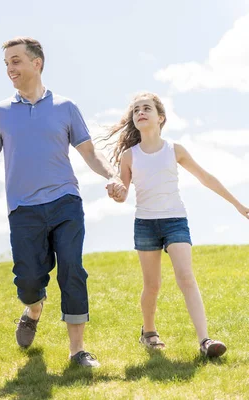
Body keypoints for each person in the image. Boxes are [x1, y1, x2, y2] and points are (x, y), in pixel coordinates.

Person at [0, 37, 125, 367]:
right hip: (23, 209)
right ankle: (34, 308)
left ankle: (77, 350)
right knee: (29, 280)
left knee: (72, 270)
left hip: (65, 201)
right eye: (6, 63)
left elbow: (89, 152)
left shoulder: (65, 107)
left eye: (16, 61)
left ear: (37, 63)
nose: (10, 69)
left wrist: (111, 176)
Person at [104, 92, 249, 357]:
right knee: (153, 285)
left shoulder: (175, 149)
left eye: (146, 108)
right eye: (136, 110)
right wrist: (116, 190)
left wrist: (237, 205)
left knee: (185, 277)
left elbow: (206, 177)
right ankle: (149, 333)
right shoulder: (129, 155)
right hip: (145, 223)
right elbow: (123, 193)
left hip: (175, 221)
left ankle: (205, 341)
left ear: (160, 118)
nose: (140, 113)